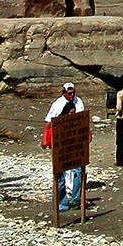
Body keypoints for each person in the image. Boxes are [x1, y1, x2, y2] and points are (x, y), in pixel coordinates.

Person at [42, 82, 84, 211]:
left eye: (73, 93)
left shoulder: (78, 102)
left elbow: (82, 118)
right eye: (69, 93)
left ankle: (76, 199)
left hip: (74, 140)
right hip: (60, 140)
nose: (71, 95)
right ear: (64, 92)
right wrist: (45, 139)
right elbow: (49, 122)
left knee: (77, 170)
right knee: (59, 173)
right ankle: (62, 202)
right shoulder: (57, 104)